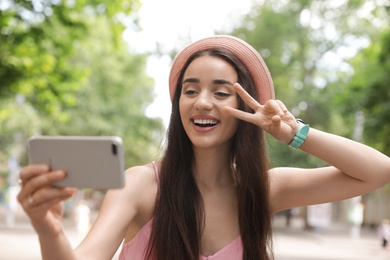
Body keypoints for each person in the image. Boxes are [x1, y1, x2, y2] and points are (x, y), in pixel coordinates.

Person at [17, 35, 390, 260]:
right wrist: (49, 230)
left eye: (221, 92)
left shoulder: (265, 188)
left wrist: (294, 132)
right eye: (190, 90)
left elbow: (378, 171)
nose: (202, 102)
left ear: (247, 108)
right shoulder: (140, 186)